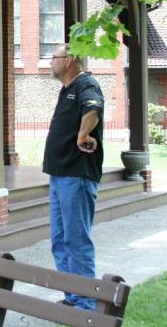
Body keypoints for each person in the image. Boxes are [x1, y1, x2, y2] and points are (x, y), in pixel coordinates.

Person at [43, 43, 104, 311]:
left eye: (53, 58)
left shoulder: (86, 84)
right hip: (59, 176)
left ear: (69, 61)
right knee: (60, 240)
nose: (50, 62)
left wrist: (83, 135)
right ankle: (72, 296)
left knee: (76, 240)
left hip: (76, 177)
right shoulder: (66, 90)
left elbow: (93, 108)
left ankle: (85, 304)